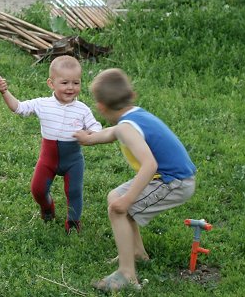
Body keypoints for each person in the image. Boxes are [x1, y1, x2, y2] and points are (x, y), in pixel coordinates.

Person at [74, 68, 196, 292]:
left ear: (101, 107)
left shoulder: (127, 128)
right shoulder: (132, 116)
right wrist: (89, 138)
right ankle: (137, 253)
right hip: (171, 177)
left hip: (174, 182)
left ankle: (127, 274)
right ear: (131, 95)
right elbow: (111, 133)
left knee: (118, 208)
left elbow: (150, 165)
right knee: (115, 197)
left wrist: (128, 199)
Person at [0, 55, 102, 234]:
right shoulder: (42, 104)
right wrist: (5, 92)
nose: (70, 88)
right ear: (51, 84)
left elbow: (96, 127)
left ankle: (73, 222)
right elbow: (18, 108)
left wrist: (90, 134)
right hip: (48, 159)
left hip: (73, 161)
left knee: (74, 191)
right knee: (37, 189)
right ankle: (47, 207)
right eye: (65, 83)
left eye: (76, 83)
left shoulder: (82, 109)